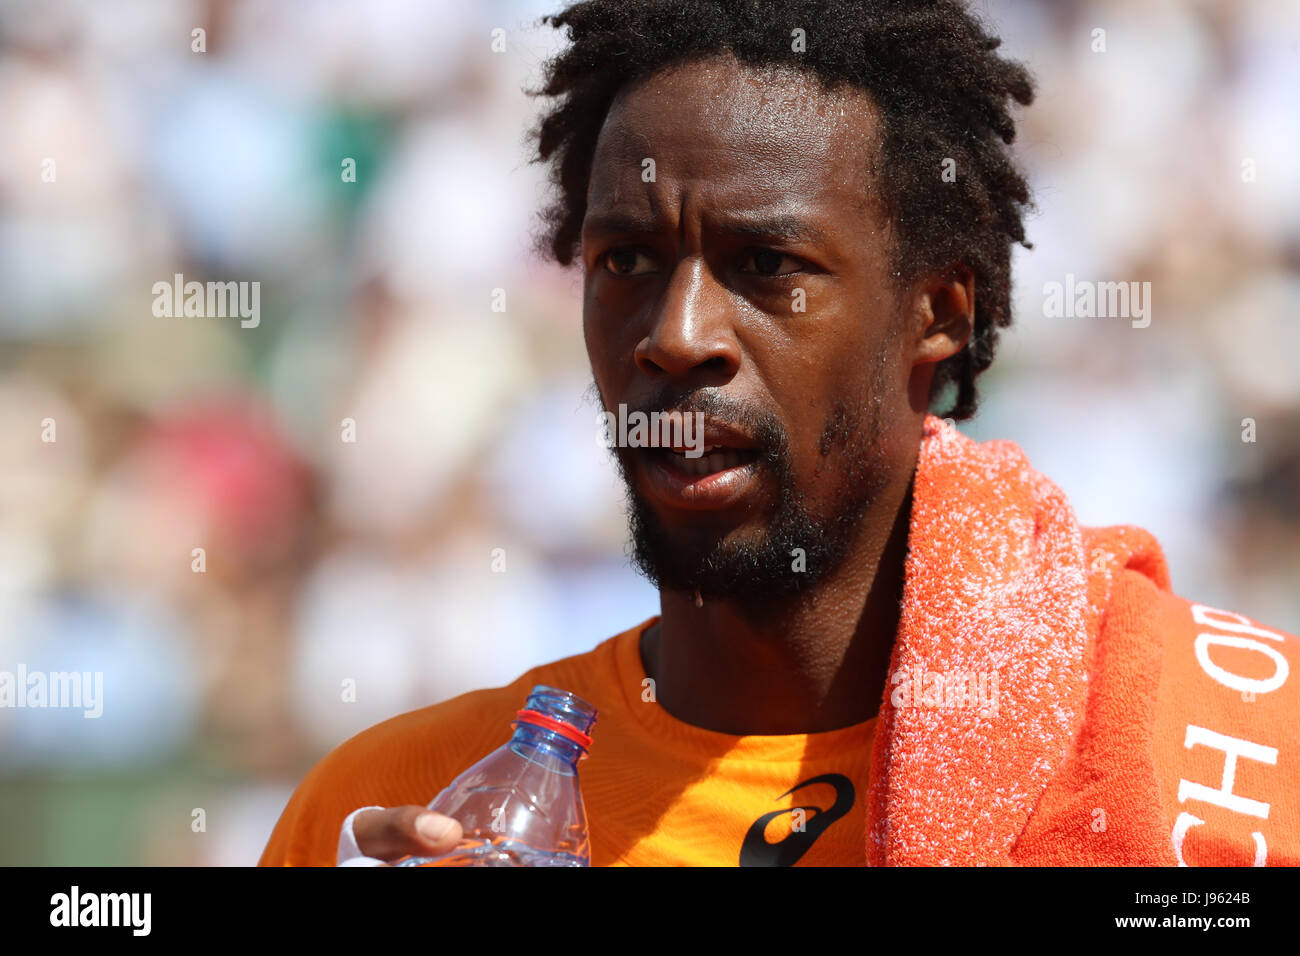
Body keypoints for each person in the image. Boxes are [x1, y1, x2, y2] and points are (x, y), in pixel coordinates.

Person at [259, 0, 1299, 867]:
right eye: (626, 261)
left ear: (937, 314)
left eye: (768, 268)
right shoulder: (405, 813)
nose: (675, 337)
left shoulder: (1231, 754)